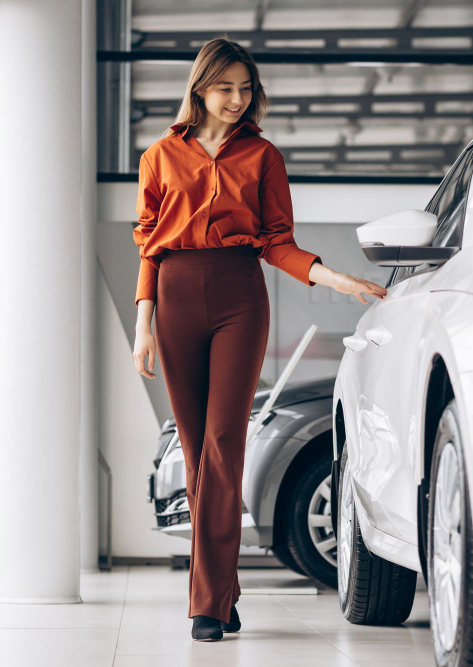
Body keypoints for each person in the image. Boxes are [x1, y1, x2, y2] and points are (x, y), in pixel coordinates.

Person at [130, 36, 386, 642]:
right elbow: (149, 243)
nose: (237, 100)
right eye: (226, 88)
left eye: (246, 89)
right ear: (200, 87)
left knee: (223, 445)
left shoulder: (264, 157)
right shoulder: (159, 156)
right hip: (174, 298)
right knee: (196, 457)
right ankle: (223, 588)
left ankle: (206, 605)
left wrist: (335, 276)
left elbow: (278, 241)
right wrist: (142, 323)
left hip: (240, 297)